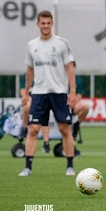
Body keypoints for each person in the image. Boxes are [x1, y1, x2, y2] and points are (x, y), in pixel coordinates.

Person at [19, 10, 78, 177]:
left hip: (59, 92)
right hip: (39, 93)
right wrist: (26, 91)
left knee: (64, 129)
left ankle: (70, 166)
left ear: (52, 24)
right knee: (33, 129)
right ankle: (28, 167)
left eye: (48, 23)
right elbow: (29, 69)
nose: (45, 26)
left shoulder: (61, 43)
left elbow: (70, 67)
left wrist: (72, 91)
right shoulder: (32, 45)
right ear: (38, 24)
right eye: (42, 23)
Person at [71, 62, 90, 143]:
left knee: (85, 107)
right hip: (60, 104)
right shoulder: (60, 79)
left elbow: (79, 96)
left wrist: (72, 103)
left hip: (72, 103)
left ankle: (77, 124)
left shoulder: (78, 80)